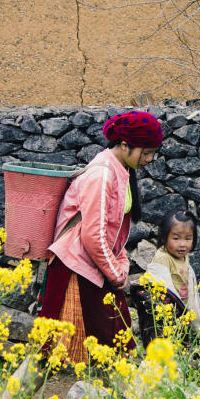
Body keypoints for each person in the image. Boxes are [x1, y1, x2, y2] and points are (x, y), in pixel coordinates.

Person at [38, 110, 163, 363]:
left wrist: (122, 262)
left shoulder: (121, 170)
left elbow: (112, 231)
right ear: (125, 144)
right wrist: (116, 273)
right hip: (76, 268)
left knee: (114, 348)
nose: (150, 159)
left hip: (93, 266)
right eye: (146, 152)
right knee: (51, 351)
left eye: (153, 153)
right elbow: (94, 235)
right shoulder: (102, 174)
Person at [132, 211, 200, 347]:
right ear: (165, 237)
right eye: (176, 238)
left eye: (188, 238)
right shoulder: (162, 258)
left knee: (183, 341)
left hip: (183, 308)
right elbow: (156, 285)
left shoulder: (184, 256)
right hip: (168, 311)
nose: (182, 244)